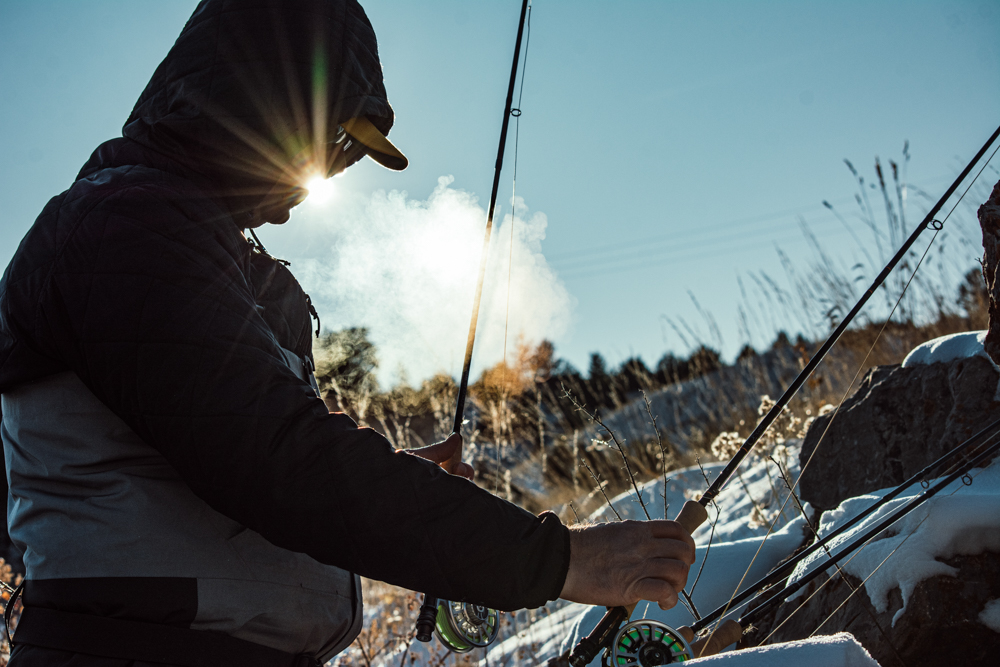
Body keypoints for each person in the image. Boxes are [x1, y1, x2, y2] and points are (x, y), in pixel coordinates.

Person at [0, 1, 696, 664]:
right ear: (260, 100)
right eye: (332, 143)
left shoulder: (192, 244)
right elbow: (277, 463)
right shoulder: (122, 226)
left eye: (344, 158)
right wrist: (564, 560)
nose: (319, 180)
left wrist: (391, 477)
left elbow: (234, 462)